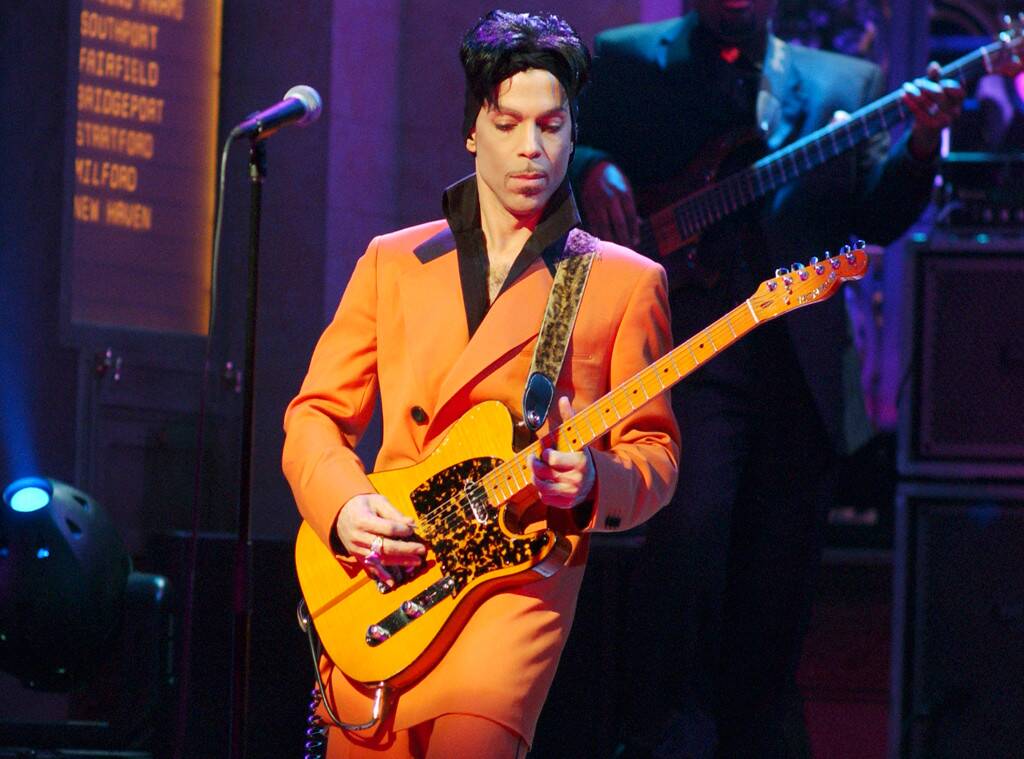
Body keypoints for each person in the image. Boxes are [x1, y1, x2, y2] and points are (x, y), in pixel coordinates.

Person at [569, 2, 964, 757]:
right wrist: (591, 165)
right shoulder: (620, 60)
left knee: (778, 591)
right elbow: (557, 148)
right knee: (681, 563)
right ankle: (665, 736)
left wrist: (921, 143)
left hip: (798, 368)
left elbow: (878, 219)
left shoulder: (847, 81)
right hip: (681, 358)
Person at [282, 10, 680, 758]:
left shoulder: (625, 282)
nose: (531, 147)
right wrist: (345, 507)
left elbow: (654, 451)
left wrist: (595, 477)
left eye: (552, 125)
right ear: (473, 130)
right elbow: (314, 417)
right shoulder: (392, 262)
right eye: (508, 123)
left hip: (516, 586)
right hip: (386, 570)